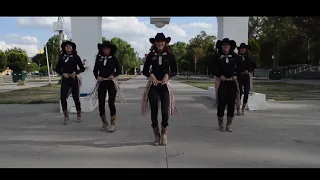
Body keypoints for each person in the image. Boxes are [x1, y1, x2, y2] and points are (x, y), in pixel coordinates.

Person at [141, 33, 178, 146]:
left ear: (165, 42)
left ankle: (164, 132)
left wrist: (168, 75)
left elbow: (175, 71)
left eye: (162, 41)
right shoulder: (151, 55)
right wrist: (151, 75)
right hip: (154, 86)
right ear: (155, 43)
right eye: (157, 41)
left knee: (165, 111)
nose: (160, 43)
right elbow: (145, 70)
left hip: (165, 86)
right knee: (154, 110)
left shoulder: (170, 55)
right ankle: (156, 134)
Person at [90, 41, 122, 132]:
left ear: (110, 49)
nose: (106, 50)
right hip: (102, 82)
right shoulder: (99, 58)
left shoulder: (114, 58)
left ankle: (113, 124)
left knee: (111, 102)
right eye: (104, 48)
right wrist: (97, 76)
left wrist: (114, 75)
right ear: (102, 49)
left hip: (111, 82)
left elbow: (118, 69)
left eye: (108, 48)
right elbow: (95, 70)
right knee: (101, 103)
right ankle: (104, 122)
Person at [212, 38, 240, 132]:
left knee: (231, 103)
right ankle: (220, 123)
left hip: (232, 82)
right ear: (221, 46)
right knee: (221, 103)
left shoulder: (235, 56)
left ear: (230, 46)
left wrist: (236, 75)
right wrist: (219, 76)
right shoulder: (217, 56)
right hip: (222, 83)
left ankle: (229, 124)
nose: (226, 47)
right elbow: (212, 68)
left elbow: (240, 67)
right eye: (224, 45)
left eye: (227, 45)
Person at [55, 41, 85, 125]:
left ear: (72, 48)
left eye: (70, 46)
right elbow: (57, 68)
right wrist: (62, 73)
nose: (68, 47)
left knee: (76, 97)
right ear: (64, 48)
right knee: (63, 97)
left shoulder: (76, 57)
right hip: (65, 79)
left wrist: (76, 72)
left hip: (73, 78)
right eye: (66, 46)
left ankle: (78, 114)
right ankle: (66, 116)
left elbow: (82, 68)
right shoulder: (61, 57)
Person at [236, 43, 257, 115]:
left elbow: (254, 66)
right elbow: (234, 66)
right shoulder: (236, 57)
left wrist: (248, 70)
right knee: (239, 92)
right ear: (239, 49)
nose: (242, 49)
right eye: (241, 48)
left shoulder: (249, 58)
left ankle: (243, 108)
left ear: (246, 49)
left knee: (246, 92)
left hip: (246, 76)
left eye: (244, 48)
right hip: (239, 76)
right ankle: (238, 108)